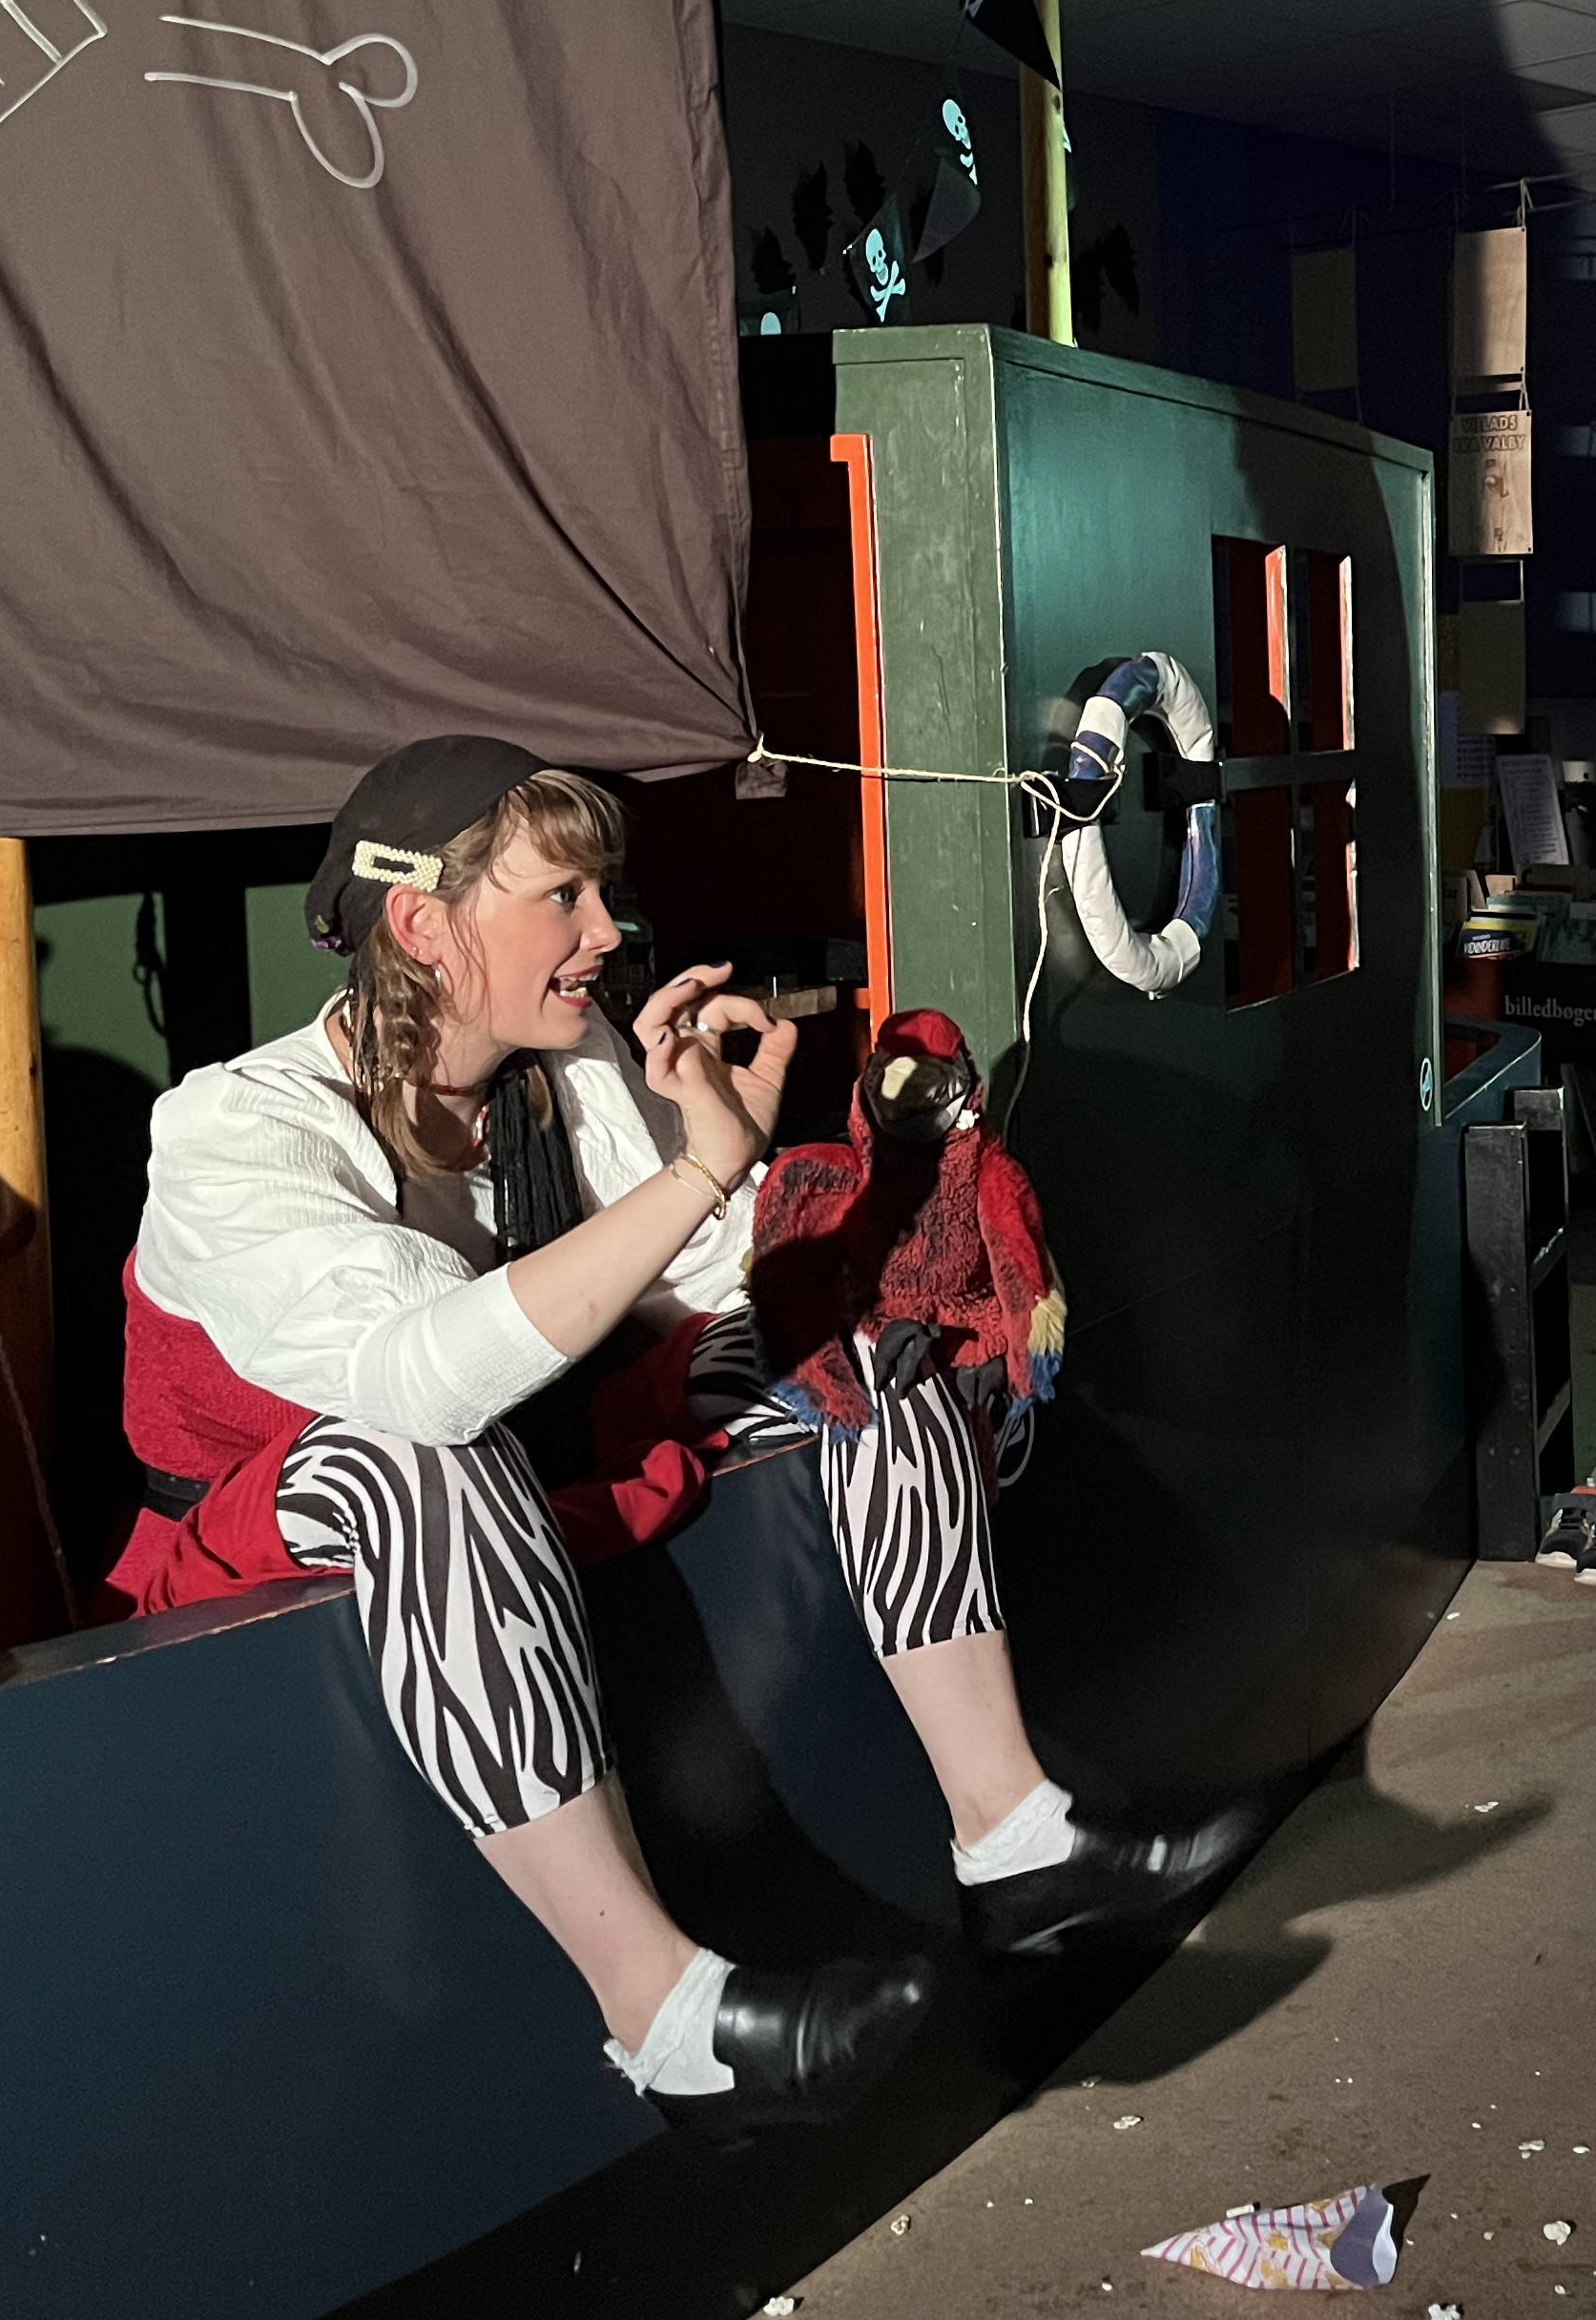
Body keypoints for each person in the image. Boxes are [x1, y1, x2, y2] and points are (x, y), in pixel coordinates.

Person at [115, 739, 1250, 2118]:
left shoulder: (567, 1066)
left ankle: (1013, 1840)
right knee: (413, 1457)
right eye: (565, 898)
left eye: (603, 895)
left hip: (538, 1475)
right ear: (422, 923)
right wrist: (699, 1171)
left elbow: (698, 1286)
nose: (607, 932)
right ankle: (662, 2017)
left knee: (854, 1335)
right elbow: (422, 1387)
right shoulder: (236, 1127)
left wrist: (750, 1165)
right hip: (272, 1531)